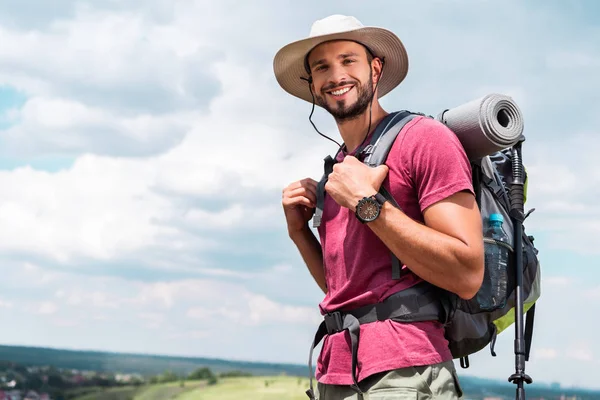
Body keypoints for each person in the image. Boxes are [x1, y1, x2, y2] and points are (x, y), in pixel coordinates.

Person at [273, 14, 484, 399]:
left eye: (348, 60)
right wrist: (299, 233)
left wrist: (367, 204)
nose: (336, 75)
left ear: (375, 67)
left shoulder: (424, 139)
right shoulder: (337, 172)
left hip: (404, 369)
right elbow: (346, 291)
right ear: (313, 85)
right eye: (322, 67)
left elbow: (467, 273)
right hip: (335, 372)